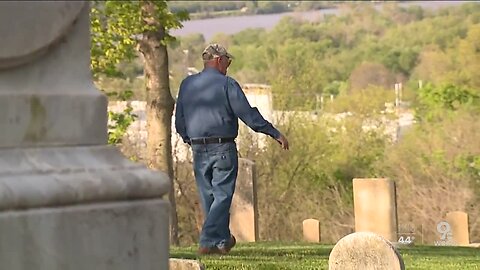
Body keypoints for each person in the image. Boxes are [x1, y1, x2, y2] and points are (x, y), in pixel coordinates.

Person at [175, 43, 289, 255]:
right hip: (223, 147)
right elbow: (248, 114)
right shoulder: (227, 84)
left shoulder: (187, 84)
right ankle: (208, 240)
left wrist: (188, 139)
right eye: (228, 60)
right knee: (222, 196)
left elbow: (180, 118)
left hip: (198, 148)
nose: (228, 65)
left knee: (209, 196)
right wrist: (274, 133)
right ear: (219, 60)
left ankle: (222, 241)